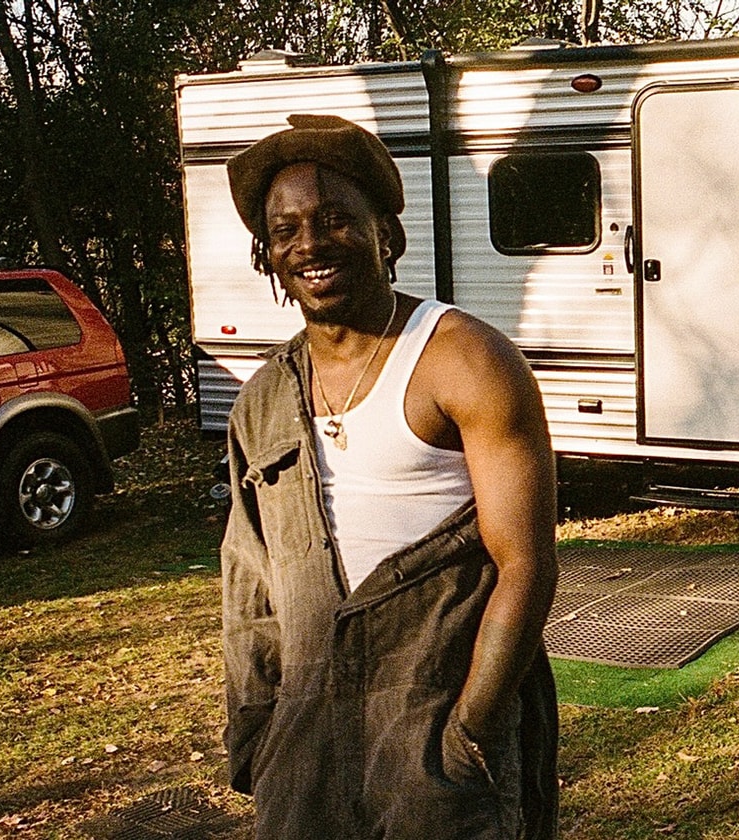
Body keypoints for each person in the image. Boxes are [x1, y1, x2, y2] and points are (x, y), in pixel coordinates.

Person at [218, 114, 559, 839]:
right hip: (304, 744)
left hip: (435, 732)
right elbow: (250, 580)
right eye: (285, 230)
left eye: (335, 219)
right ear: (267, 255)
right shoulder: (262, 400)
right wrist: (256, 735)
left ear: (388, 236)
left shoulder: (465, 359)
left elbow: (526, 563)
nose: (310, 244)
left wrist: (472, 732)